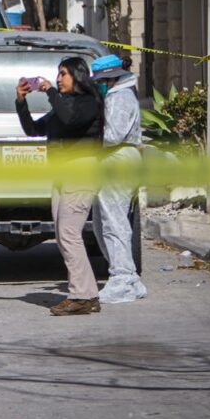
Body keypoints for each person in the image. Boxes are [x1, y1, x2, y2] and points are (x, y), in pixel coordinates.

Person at [16, 57, 104, 316]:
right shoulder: (61, 105)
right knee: (64, 235)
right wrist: (22, 102)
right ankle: (87, 294)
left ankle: (81, 296)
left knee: (69, 234)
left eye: (63, 74)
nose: (58, 79)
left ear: (78, 76)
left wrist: (50, 93)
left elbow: (70, 120)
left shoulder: (88, 103)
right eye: (57, 74)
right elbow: (33, 130)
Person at [90, 54, 147, 303]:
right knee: (107, 223)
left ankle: (122, 278)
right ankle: (129, 277)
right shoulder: (122, 94)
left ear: (110, 78)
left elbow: (112, 135)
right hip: (120, 159)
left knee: (114, 223)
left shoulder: (119, 97)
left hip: (117, 159)